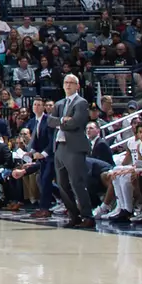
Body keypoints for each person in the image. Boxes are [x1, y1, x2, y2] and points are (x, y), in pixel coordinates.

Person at [52, 74, 93, 227]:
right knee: (62, 184)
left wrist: (59, 122)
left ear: (77, 86)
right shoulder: (59, 104)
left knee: (77, 183)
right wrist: (63, 120)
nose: (68, 85)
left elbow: (76, 123)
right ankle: (73, 215)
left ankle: (88, 216)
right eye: (66, 82)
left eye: (71, 83)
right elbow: (50, 121)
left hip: (74, 147)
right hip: (60, 146)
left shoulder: (81, 103)